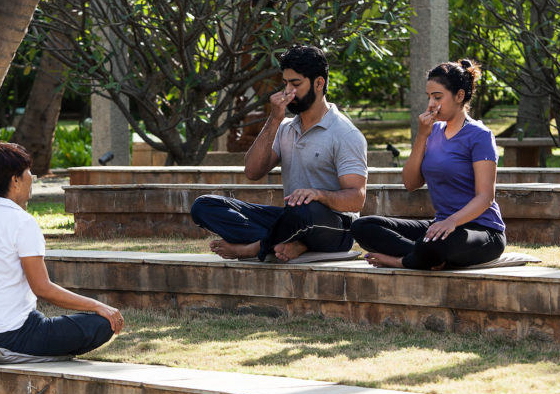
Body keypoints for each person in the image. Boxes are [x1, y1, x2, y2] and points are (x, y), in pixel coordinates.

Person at [190, 45, 368, 262]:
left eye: (296, 84)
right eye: (285, 84)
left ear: (319, 83)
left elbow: (356, 199)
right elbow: (253, 171)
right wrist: (274, 119)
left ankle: (254, 248)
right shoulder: (284, 127)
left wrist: (319, 195)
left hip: (334, 228)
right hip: (291, 221)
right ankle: (292, 244)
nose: (287, 92)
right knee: (204, 206)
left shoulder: (345, 133)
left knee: (305, 209)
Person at [0, 141, 123, 355]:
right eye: (28, 172)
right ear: (15, 180)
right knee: (101, 323)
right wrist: (97, 306)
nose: (32, 178)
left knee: (49, 322)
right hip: (11, 335)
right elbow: (43, 289)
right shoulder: (22, 222)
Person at [351, 59, 506, 270]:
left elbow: (486, 197)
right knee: (362, 227)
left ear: (460, 96)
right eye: (429, 97)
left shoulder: (480, 136)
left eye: (438, 97)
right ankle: (425, 256)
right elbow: (410, 183)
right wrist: (421, 136)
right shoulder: (432, 132)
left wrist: (451, 222)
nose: (431, 103)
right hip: (439, 227)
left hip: (481, 230)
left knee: (435, 245)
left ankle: (404, 260)